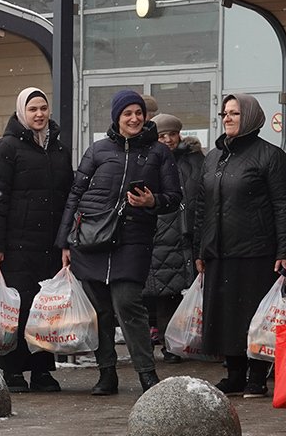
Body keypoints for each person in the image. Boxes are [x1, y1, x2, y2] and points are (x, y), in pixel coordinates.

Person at [58, 90, 182, 395]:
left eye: (138, 113)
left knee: (128, 303)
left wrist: (153, 200)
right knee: (99, 309)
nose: (135, 118)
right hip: (92, 240)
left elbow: (174, 198)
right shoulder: (97, 150)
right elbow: (75, 195)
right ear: (116, 117)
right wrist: (64, 241)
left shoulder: (158, 153)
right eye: (127, 113)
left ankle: (146, 373)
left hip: (133, 240)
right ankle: (106, 373)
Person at [194, 93, 286, 397]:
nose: (227, 118)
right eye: (225, 113)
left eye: (234, 113)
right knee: (225, 316)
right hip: (218, 251)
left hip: (256, 250)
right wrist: (200, 248)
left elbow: (284, 206)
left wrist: (285, 250)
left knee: (253, 316)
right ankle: (234, 373)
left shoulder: (270, 156)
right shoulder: (213, 157)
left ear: (249, 117)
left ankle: (257, 376)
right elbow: (202, 205)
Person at [0, 87, 74, 393]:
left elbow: (67, 198)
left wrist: (66, 242)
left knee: (45, 310)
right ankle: (11, 370)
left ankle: (42, 371)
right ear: (22, 111)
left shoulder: (59, 150)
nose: (39, 114)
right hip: (15, 245)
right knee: (16, 310)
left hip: (49, 246)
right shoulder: (5, 149)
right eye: (33, 109)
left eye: (43, 108)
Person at [143, 112, 203, 363]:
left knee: (186, 294)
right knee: (164, 296)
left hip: (187, 235)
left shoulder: (195, 161)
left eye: (172, 134)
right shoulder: (149, 160)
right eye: (162, 135)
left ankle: (188, 342)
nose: (167, 139)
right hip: (161, 235)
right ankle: (169, 346)